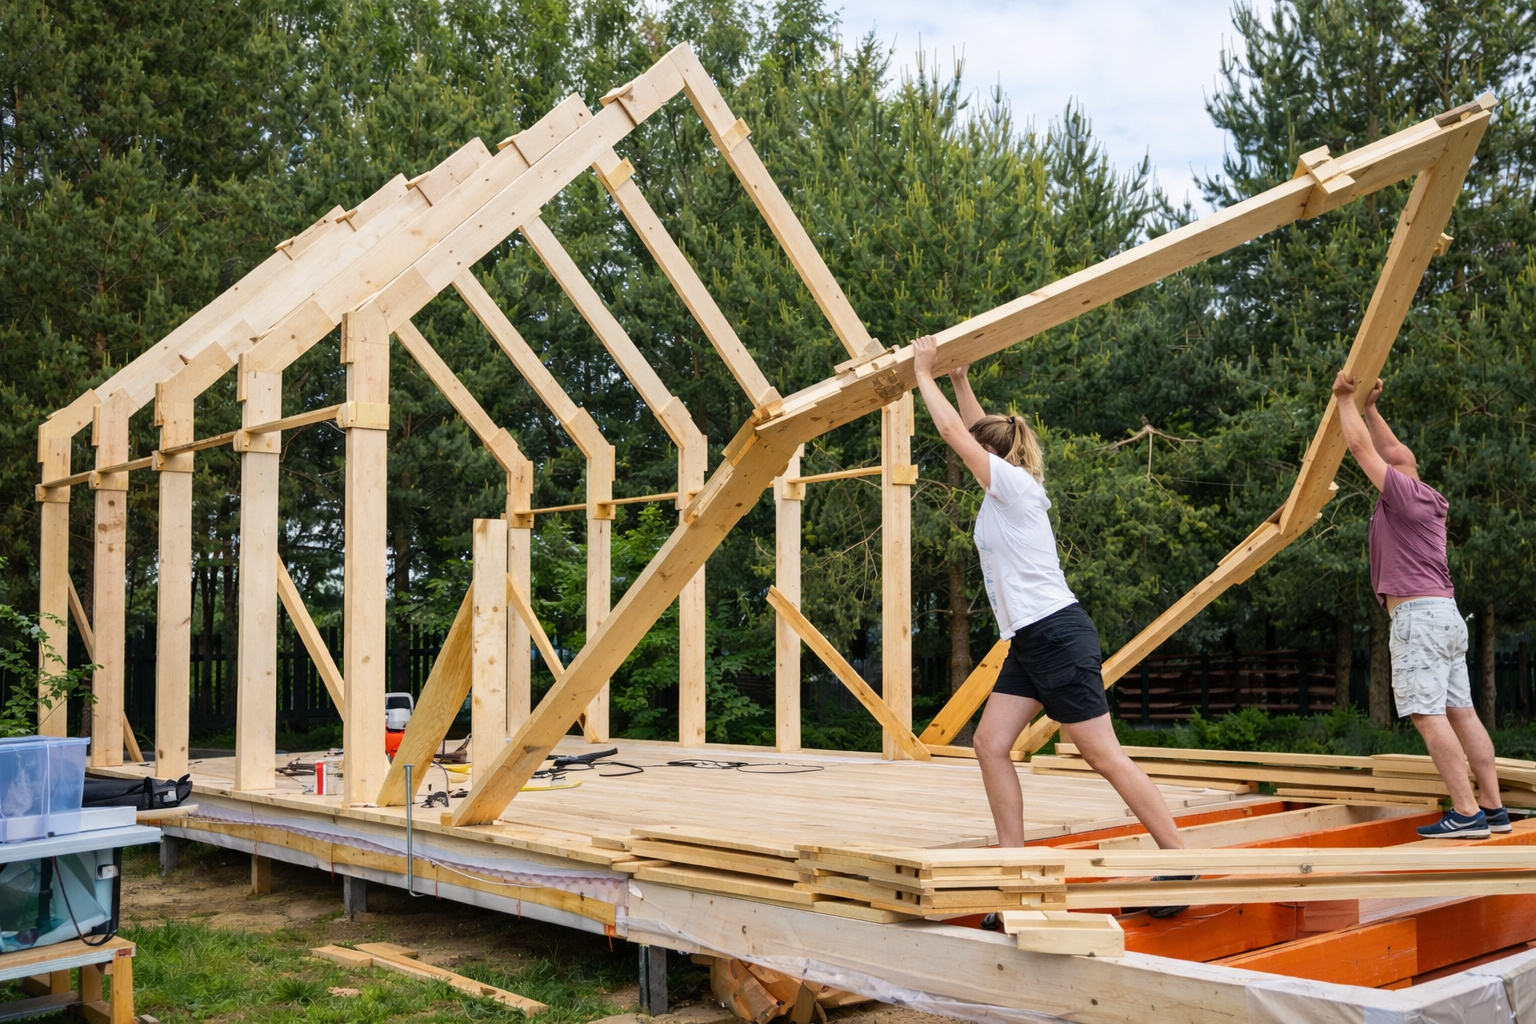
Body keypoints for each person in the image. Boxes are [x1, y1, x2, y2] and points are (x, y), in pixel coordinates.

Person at [911, 335, 1188, 861]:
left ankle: (1181, 860)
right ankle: (1013, 864)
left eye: (980, 450)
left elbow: (953, 431)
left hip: (1056, 634)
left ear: (991, 457)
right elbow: (972, 430)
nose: (973, 455)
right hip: (1029, 640)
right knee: (990, 744)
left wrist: (923, 374)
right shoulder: (1007, 486)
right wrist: (959, 379)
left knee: (1103, 755)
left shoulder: (1013, 487)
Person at [1333, 371, 1509, 840]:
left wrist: (1344, 400)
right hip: (1447, 617)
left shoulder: (1403, 497)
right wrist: (1371, 410)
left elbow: (1361, 450)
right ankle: (1492, 809)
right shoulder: (1427, 496)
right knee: (1463, 712)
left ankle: (1466, 814)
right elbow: (1396, 453)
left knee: (1426, 715)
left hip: (1419, 621)